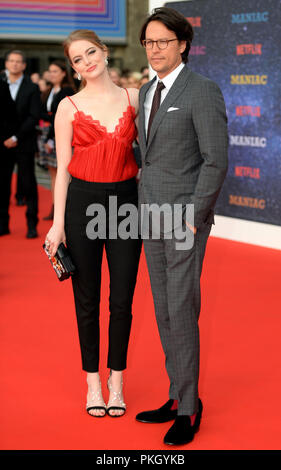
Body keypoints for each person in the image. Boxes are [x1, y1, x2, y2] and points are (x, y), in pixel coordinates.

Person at [135, 7, 228, 446]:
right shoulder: (145, 92)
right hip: (149, 216)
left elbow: (216, 160)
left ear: (183, 44)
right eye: (149, 42)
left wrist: (193, 217)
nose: (154, 49)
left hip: (182, 221)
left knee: (182, 309)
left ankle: (189, 408)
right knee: (164, 310)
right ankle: (176, 394)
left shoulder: (202, 91)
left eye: (162, 41)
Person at [45, 29, 142, 418]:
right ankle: (92, 382)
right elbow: (63, 172)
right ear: (74, 69)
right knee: (86, 300)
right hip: (82, 206)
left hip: (125, 206)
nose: (86, 62)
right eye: (77, 59)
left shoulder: (134, 99)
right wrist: (56, 225)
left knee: (122, 300)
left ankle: (116, 381)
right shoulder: (67, 107)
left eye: (90, 52)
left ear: (103, 52)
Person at [0, 50, 41, 238]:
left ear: (24, 65)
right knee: (2, 185)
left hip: (24, 142)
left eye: (19, 62)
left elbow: (34, 116)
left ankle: (31, 223)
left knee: (28, 184)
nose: (15, 64)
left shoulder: (32, 87)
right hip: (3, 144)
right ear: (6, 63)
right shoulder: (0, 83)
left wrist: (15, 137)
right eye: (12, 61)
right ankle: (2, 224)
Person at [40, 60, 76, 220]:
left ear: (63, 73)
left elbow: (59, 116)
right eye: (50, 71)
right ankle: (55, 208)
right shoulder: (48, 91)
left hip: (58, 135)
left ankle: (63, 208)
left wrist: (51, 139)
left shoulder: (67, 90)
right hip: (46, 132)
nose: (52, 74)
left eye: (55, 71)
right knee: (52, 173)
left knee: (63, 172)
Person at [0, 81, 18, 235]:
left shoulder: (2, 86)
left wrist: (10, 137)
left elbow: (12, 114)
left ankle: (3, 223)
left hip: (3, 146)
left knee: (3, 185)